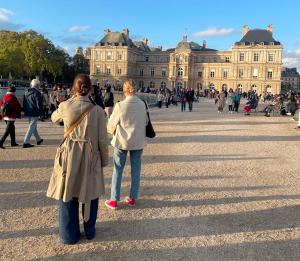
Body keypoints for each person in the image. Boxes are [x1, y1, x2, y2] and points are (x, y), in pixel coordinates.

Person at [47, 74, 108, 244]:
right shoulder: (97, 111)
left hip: (69, 153)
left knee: (68, 192)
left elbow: (53, 118)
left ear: (74, 89)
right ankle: (89, 230)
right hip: (90, 155)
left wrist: (67, 103)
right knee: (91, 192)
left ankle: (69, 235)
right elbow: (103, 140)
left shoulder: (66, 106)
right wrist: (104, 160)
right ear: (90, 89)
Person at [105, 79, 147, 209]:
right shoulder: (142, 104)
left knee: (118, 170)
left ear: (124, 90)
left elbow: (110, 125)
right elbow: (145, 122)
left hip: (122, 141)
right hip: (138, 141)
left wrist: (111, 131)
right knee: (136, 170)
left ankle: (114, 200)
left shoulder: (120, 106)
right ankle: (132, 197)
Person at [23, 79, 44, 148]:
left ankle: (38, 139)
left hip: (28, 111)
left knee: (33, 126)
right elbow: (39, 104)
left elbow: (24, 103)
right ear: (38, 85)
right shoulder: (37, 93)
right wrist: (41, 113)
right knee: (32, 126)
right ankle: (26, 142)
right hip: (35, 111)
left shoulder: (26, 92)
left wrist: (25, 110)